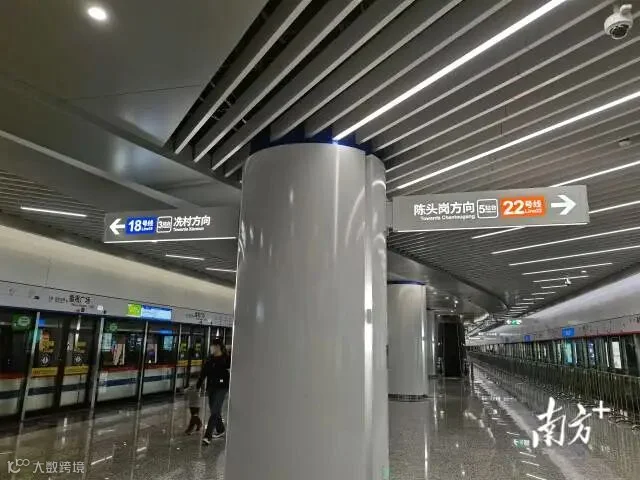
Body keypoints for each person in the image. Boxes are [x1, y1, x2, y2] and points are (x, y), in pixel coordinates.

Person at [197, 340, 231, 445]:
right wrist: (198, 386)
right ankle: (221, 429)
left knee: (215, 410)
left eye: (213, 346)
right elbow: (203, 372)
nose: (211, 348)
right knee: (214, 410)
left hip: (222, 387)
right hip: (211, 387)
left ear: (218, 347)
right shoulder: (210, 359)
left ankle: (207, 436)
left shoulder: (227, 358)